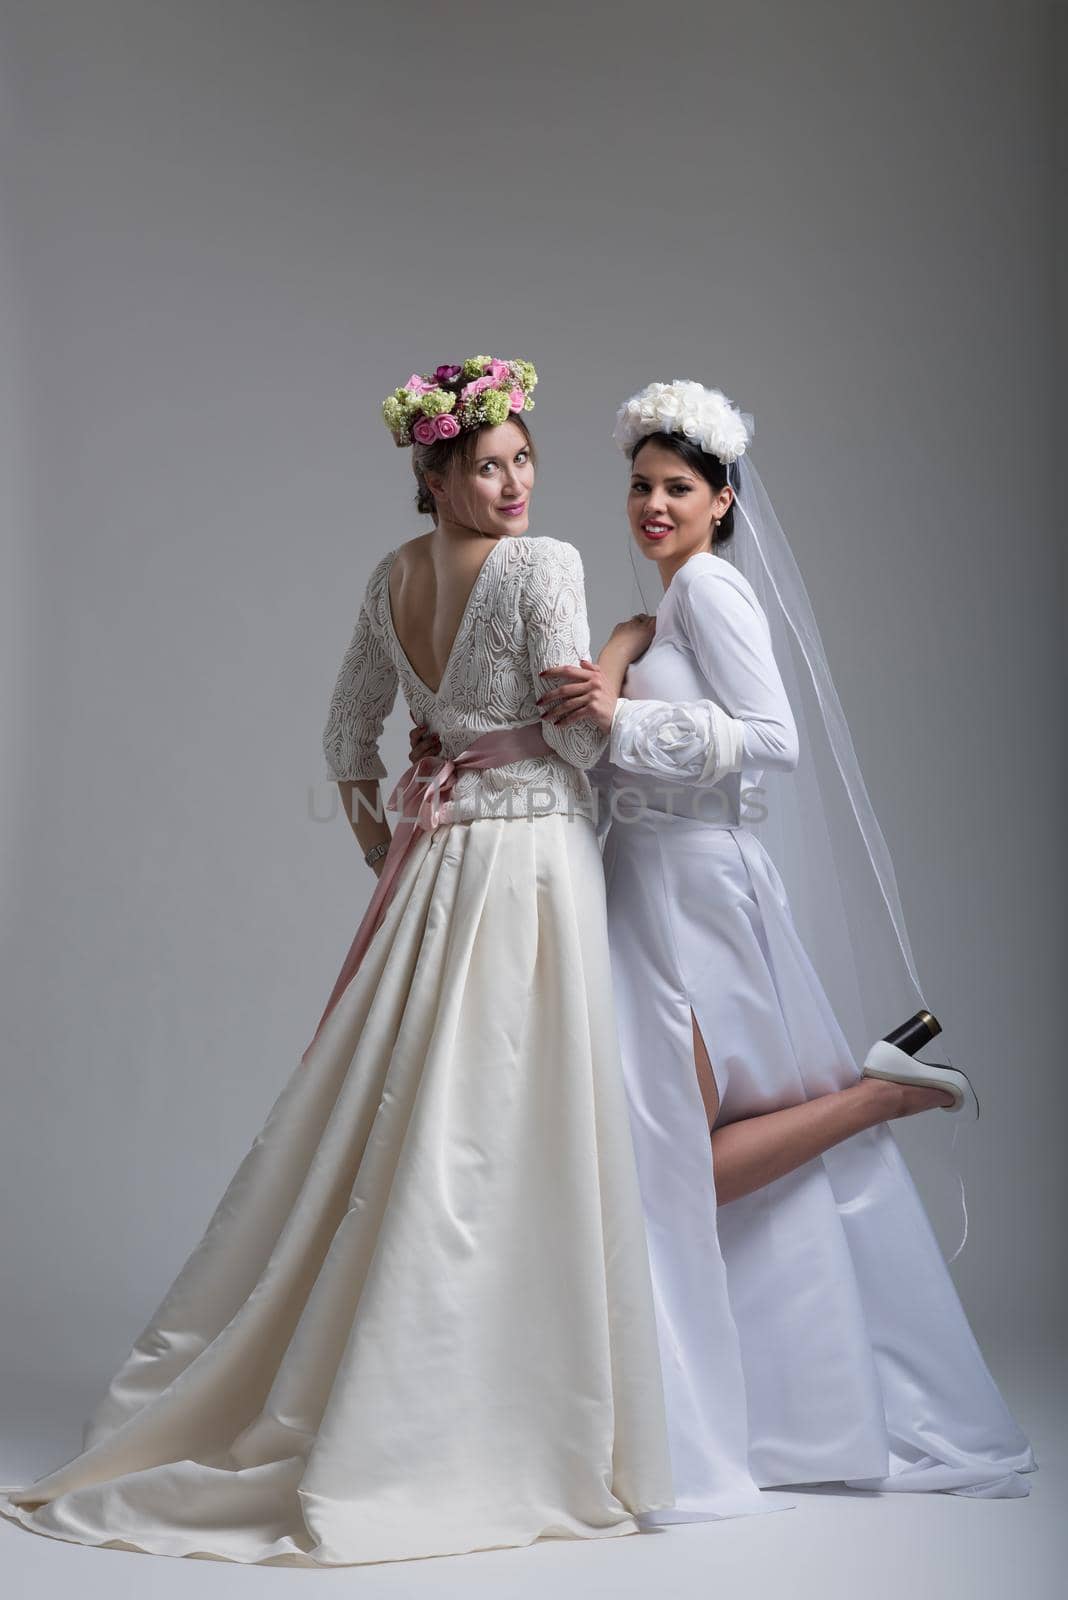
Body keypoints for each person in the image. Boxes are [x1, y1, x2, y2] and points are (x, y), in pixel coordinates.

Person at [0, 356, 675, 1566]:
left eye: (525, 460)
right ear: (436, 472)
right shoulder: (546, 566)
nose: (515, 483)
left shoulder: (393, 576)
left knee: (420, 1108)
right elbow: (576, 743)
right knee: (509, 1117)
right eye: (488, 464)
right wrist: (626, 650)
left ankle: (383, 1361)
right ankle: (489, 1399)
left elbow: (342, 734)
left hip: (436, 866)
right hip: (525, 861)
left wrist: (388, 838)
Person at [412, 379, 1036, 1515]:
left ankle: (878, 1101)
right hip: (642, 882)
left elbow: (775, 741)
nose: (652, 503)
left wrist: (621, 717)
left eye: (678, 487)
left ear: (723, 499)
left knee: (671, 1164)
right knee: (659, 1160)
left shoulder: (713, 591)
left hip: (694, 891)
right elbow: (591, 733)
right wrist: (594, 679)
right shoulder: (662, 609)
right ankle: (745, 1390)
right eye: (641, 485)